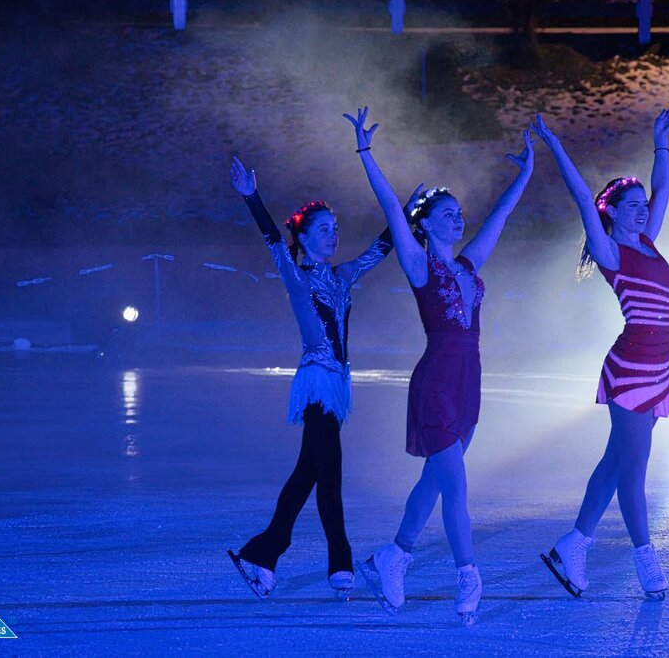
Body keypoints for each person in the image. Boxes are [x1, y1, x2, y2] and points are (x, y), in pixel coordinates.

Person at [343, 106, 534, 625]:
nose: (458, 217)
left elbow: (498, 217)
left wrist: (525, 175)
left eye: (458, 212)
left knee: (433, 482)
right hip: (435, 385)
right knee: (455, 485)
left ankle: (393, 557)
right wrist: (365, 153)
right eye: (446, 213)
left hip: (469, 384)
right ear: (424, 224)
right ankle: (469, 578)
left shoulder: (468, 264)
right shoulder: (419, 263)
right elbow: (388, 203)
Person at [226, 155, 398, 601]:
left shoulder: (342, 276)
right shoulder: (296, 275)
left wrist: (409, 214)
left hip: (337, 385)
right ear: (302, 238)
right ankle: (339, 561)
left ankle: (262, 554)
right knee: (331, 471)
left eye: (335, 228)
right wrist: (251, 197)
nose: (334, 234)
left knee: (308, 473)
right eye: (324, 229)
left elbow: (381, 250)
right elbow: (270, 240)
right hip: (318, 383)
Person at [531, 103, 669, 600]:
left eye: (643, 203)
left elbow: (664, 189)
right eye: (632, 204)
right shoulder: (612, 252)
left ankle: (574, 543)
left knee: (615, 464)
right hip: (632, 372)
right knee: (633, 473)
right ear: (611, 213)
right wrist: (554, 145)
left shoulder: (648, 241)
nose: (643, 208)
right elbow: (580, 197)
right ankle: (646, 561)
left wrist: (659, 140)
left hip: (661, 369)